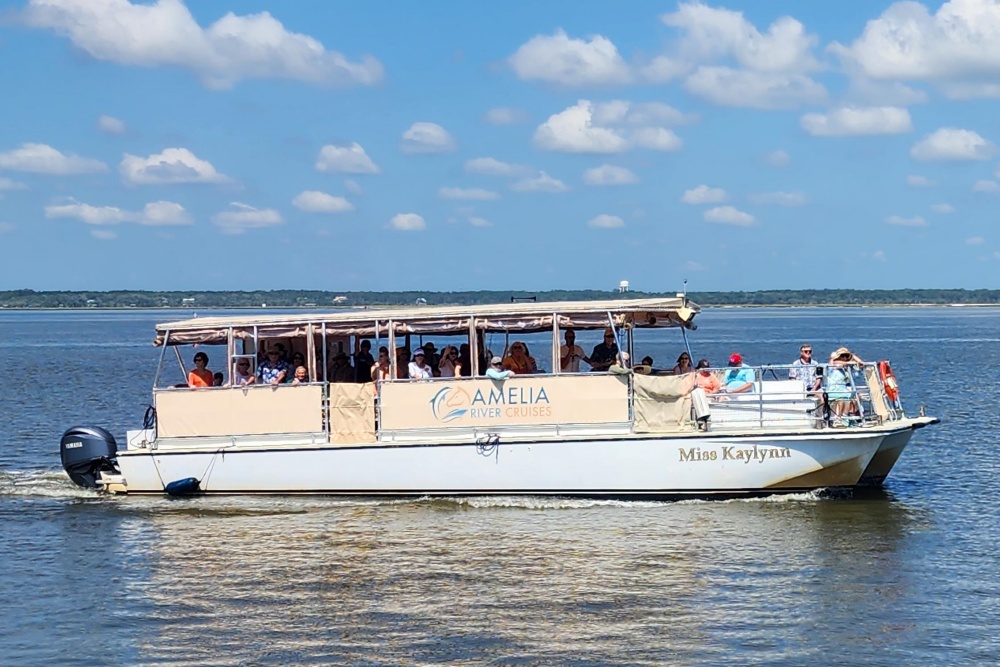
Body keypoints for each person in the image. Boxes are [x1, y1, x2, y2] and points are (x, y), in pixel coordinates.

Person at [826, 347, 864, 426]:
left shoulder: (845, 367)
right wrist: (849, 362)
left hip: (843, 389)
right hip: (834, 390)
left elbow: (859, 363)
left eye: (846, 356)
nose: (844, 358)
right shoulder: (833, 363)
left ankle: (850, 416)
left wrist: (854, 358)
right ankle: (841, 418)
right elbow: (836, 362)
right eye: (842, 356)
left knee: (858, 396)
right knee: (846, 397)